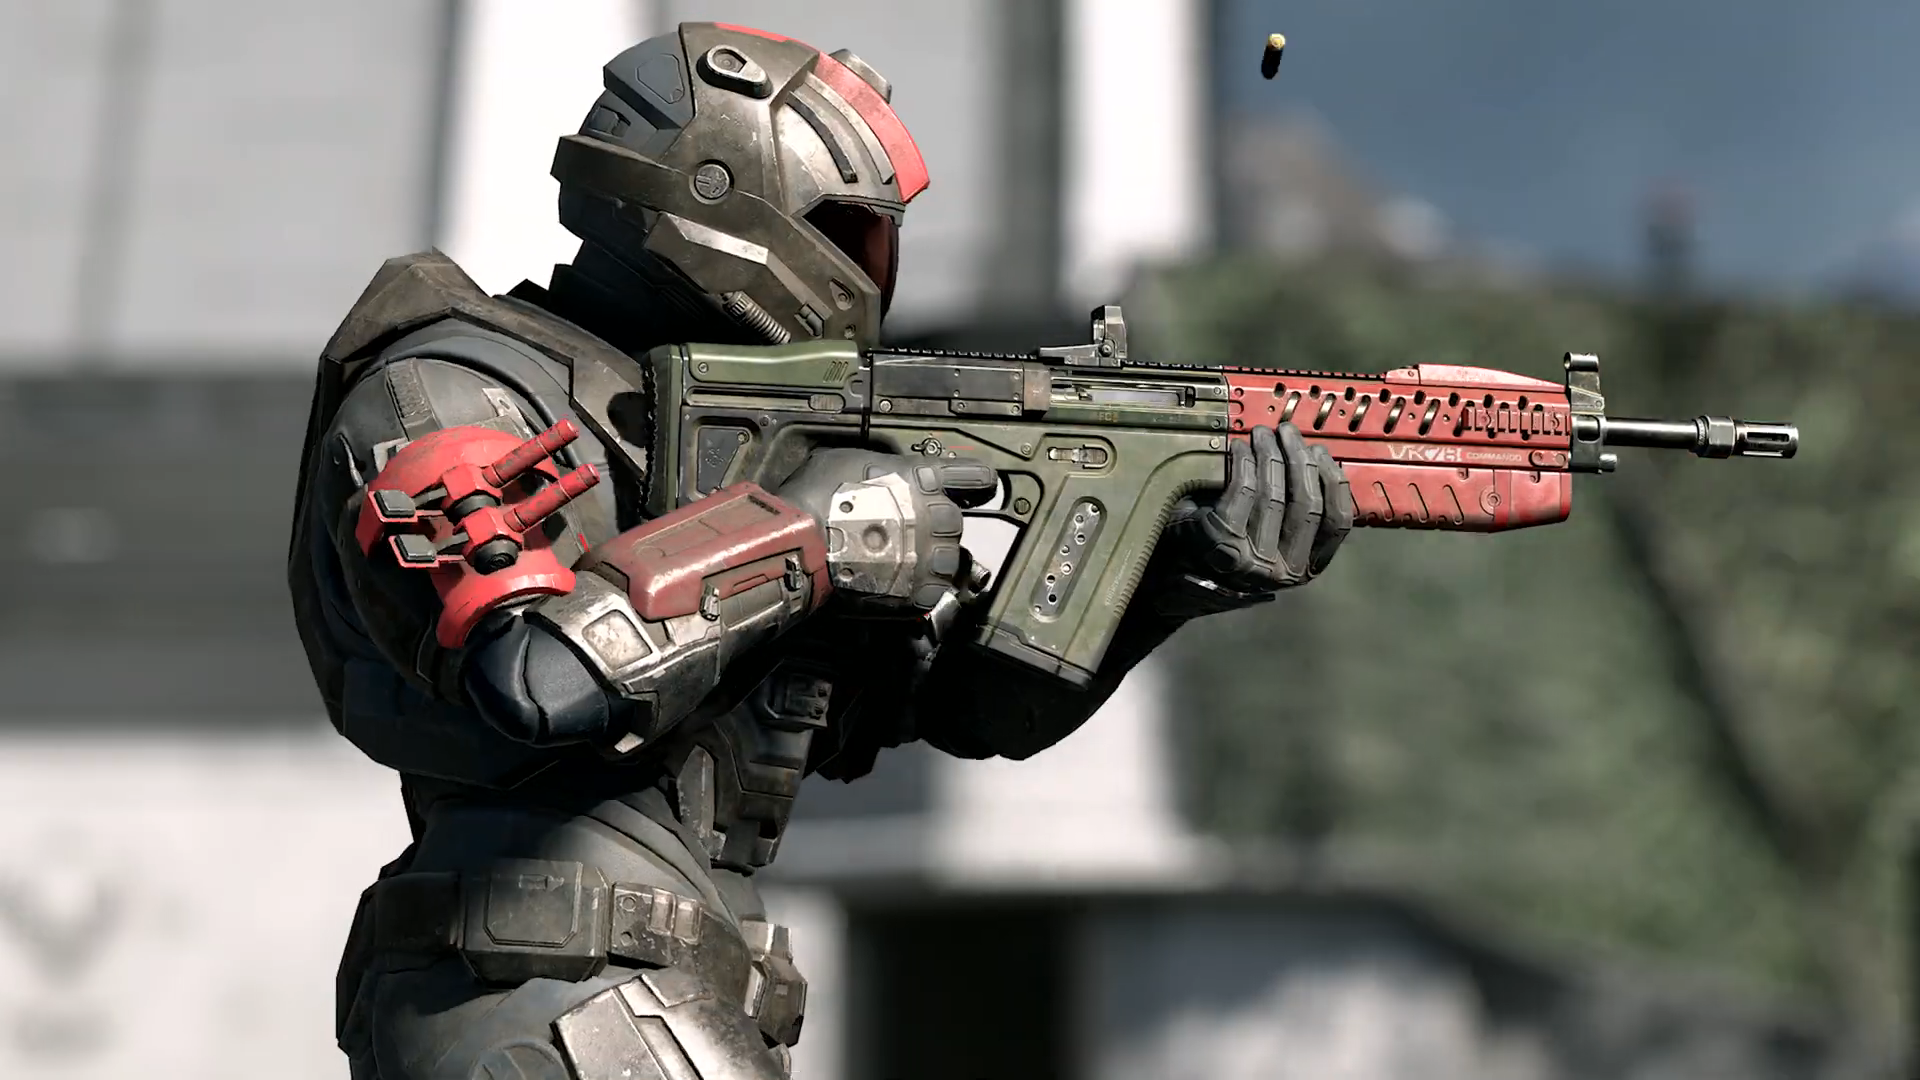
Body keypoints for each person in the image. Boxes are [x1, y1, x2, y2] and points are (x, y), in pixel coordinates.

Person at [288, 22, 1350, 1080]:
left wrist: (1163, 577)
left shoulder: (753, 446)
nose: (868, 268)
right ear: (717, 204)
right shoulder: (449, 393)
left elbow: (963, 710)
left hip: (654, 983)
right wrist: (808, 535)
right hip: (526, 976)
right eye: (845, 229)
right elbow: (531, 679)